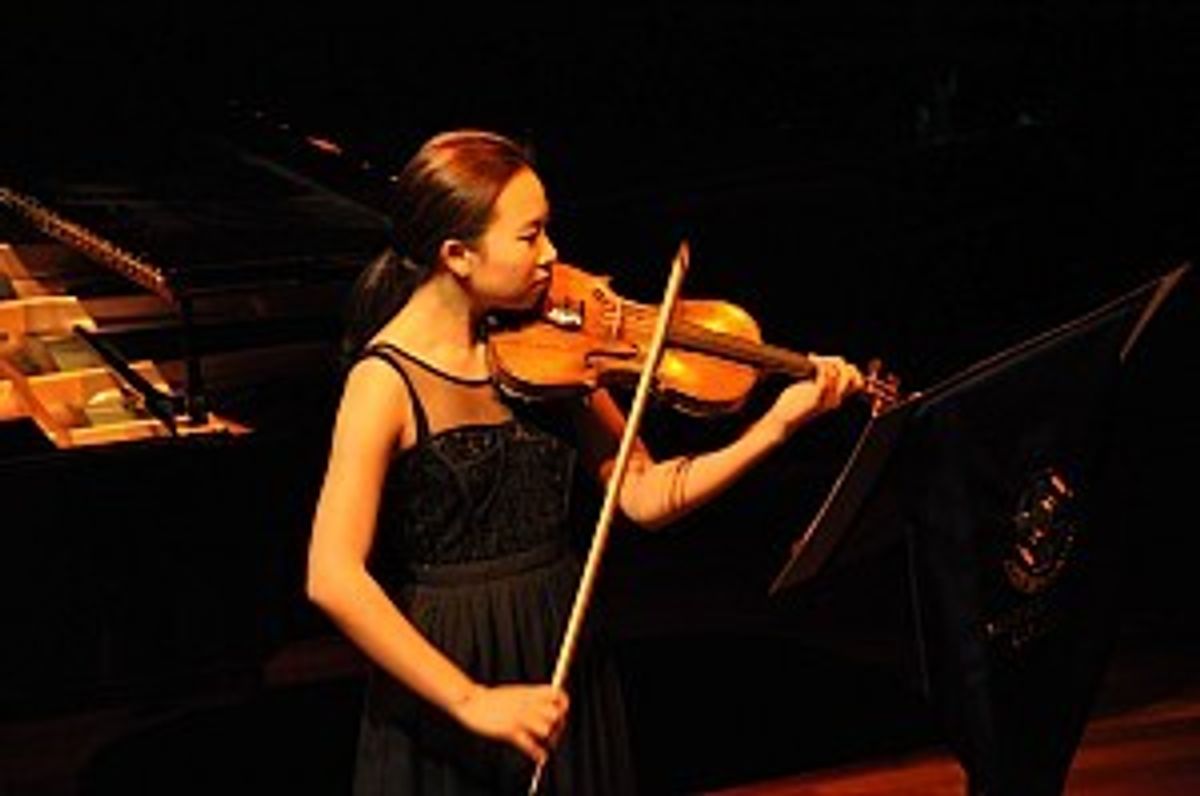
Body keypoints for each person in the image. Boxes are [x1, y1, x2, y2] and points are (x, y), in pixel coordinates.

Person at [305, 128, 865, 795]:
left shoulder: (554, 347)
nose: (553, 254)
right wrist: (470, 700)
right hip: (447, 669)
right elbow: (332, 576)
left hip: (561, 649)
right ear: (457, 254)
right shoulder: (383, 382)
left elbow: (644, 493)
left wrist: (774, 427)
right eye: (530, 236)